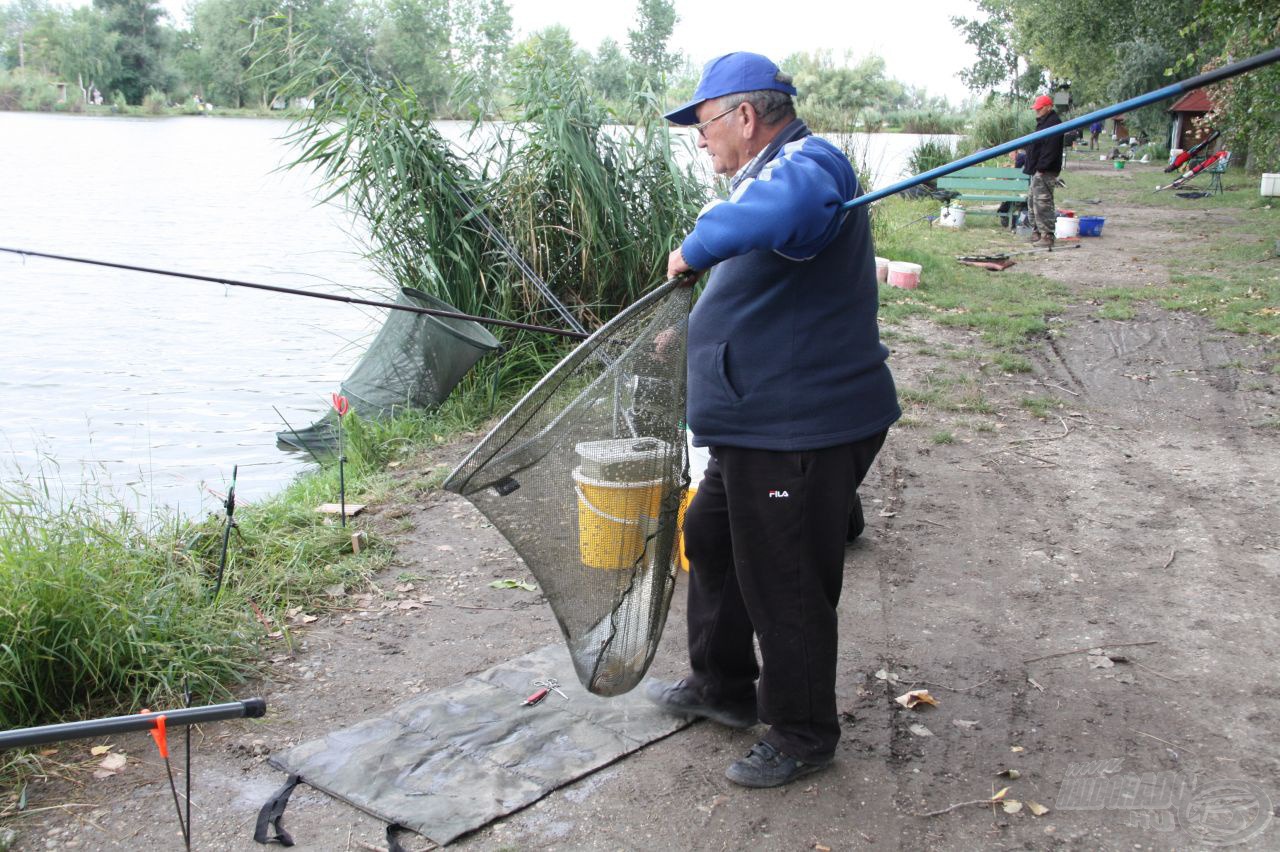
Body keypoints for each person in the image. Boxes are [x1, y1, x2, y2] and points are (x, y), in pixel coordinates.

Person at [647, 51, 900, 789]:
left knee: (783, 578)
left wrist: (694, 249)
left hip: (800, 427)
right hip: (756, 423)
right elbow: (763, 273)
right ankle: (723, 686)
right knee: (711, 538)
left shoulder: (811, 165)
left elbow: (786, 213)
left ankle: (801, 731)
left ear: (745, 117)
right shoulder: (762, 174)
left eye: (702, 124)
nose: (699, 139)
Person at [1023, 94, 1064, 249]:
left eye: (1039, 109)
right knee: (1032, 201)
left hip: (1045, 170)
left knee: (1043, 203)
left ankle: (1047, 235)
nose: (1037, 112)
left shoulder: (1053, 124)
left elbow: (1050, 150)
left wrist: (1041, 168)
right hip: (1039, 170)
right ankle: (1037, 232)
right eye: (1036, 109)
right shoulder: (1044, 123)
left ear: (1048, 107)